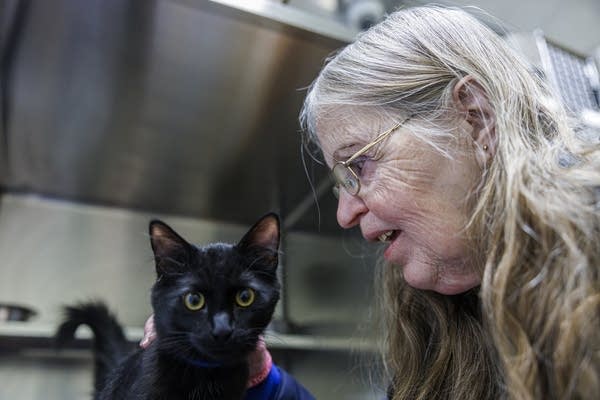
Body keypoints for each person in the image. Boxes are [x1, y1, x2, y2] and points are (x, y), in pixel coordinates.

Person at [143, 5, 600, 399]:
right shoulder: (439, 319)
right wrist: (257, 377)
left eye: (358, 165)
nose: (344, 214)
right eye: (340, 183)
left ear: (475, 118)